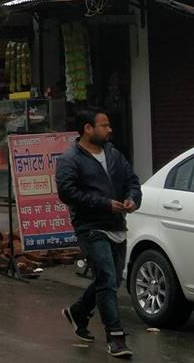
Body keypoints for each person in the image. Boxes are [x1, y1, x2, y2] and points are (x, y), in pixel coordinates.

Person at [56, 107, 141, 359]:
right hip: (90, 227)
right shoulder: (70, 159)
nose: (109, 129)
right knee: (106, 278)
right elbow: (67, 192)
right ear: (88, 129)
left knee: (111, 280)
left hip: (117, 224)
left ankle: (78, 312)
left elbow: (132, 181)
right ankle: (115, 337)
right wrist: (103, 203)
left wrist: (132, 199)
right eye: (104, 125)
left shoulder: (114, 154)